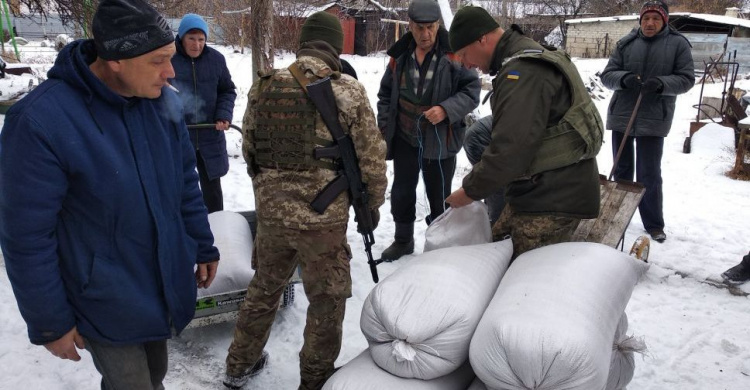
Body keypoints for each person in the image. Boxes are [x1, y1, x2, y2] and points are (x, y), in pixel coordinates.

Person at [0, 0, 220, 388]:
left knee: (155, 374)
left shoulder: (161, 101)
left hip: (159, 278)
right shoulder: (40, 122)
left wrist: (202, 244)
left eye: (170, 58)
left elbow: (185, 180)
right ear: (115, 59)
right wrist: (51, 321)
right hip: (103, 292)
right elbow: (26, 235)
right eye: (157, 61)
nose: (170, 73)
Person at [223, 12, 387, 390]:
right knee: (326, 301)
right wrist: (371, 206)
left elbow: (250, 152)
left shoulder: (263, 87)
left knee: (264, 290)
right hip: (323, 222)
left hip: (272, 218)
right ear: (336, 46)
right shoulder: (347, 89)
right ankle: (314, 380)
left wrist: (271, 195)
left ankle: (238, 365)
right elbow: (372, 161)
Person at [445, 6, 602, 259]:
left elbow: (510, 150)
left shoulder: (523, 71)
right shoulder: (523, 58)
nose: (465, 63)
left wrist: (469, 191)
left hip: (554, 198)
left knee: (518, 274)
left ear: (481, 39)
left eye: (463, 54)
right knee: (496, 249)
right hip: (542, 190)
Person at [376, 0, 480, 261]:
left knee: (439, 196)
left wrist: (446, 109)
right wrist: (385, 126)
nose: (426, 34)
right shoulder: (398, 55)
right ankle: (403, 240)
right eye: (420, 28)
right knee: (401, 191)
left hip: (439, 139)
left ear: (438, 25)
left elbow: (471, 92)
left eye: (431, 27)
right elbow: (385, 94)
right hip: (404, 137)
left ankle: (438, 247)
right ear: (409, 25)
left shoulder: (454, 54)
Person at [600, 0, 695, 243]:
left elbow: (686, 79)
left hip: (654, 116)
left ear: (664, 20)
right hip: (623, 113)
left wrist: (662, 84)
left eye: (655, 18)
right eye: (645, 19)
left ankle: (653, 224)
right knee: (622, 169)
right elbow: (607, 75)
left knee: (649, 172)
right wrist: (625, 79)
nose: (650, 23)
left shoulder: (677, 44)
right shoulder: (626, 43)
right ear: (640, 21)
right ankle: (615, 217)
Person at [170, 13, 237, 213]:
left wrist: (223, 115)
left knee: (212, 190)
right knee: (180, 187)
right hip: (180, 136)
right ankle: (185, 229)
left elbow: (227, 90)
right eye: (191, 38)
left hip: (210, 135)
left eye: (201, 39)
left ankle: (218, 227)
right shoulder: (169, 59)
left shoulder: (216, 60)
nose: (197, 44)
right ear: (182, 38)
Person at [463, 115, 505, 225]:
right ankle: (496, 227)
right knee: (496, 184)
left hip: (486, 132)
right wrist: (469, 189)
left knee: (493, 184)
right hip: (480, 137)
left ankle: (490, 217)